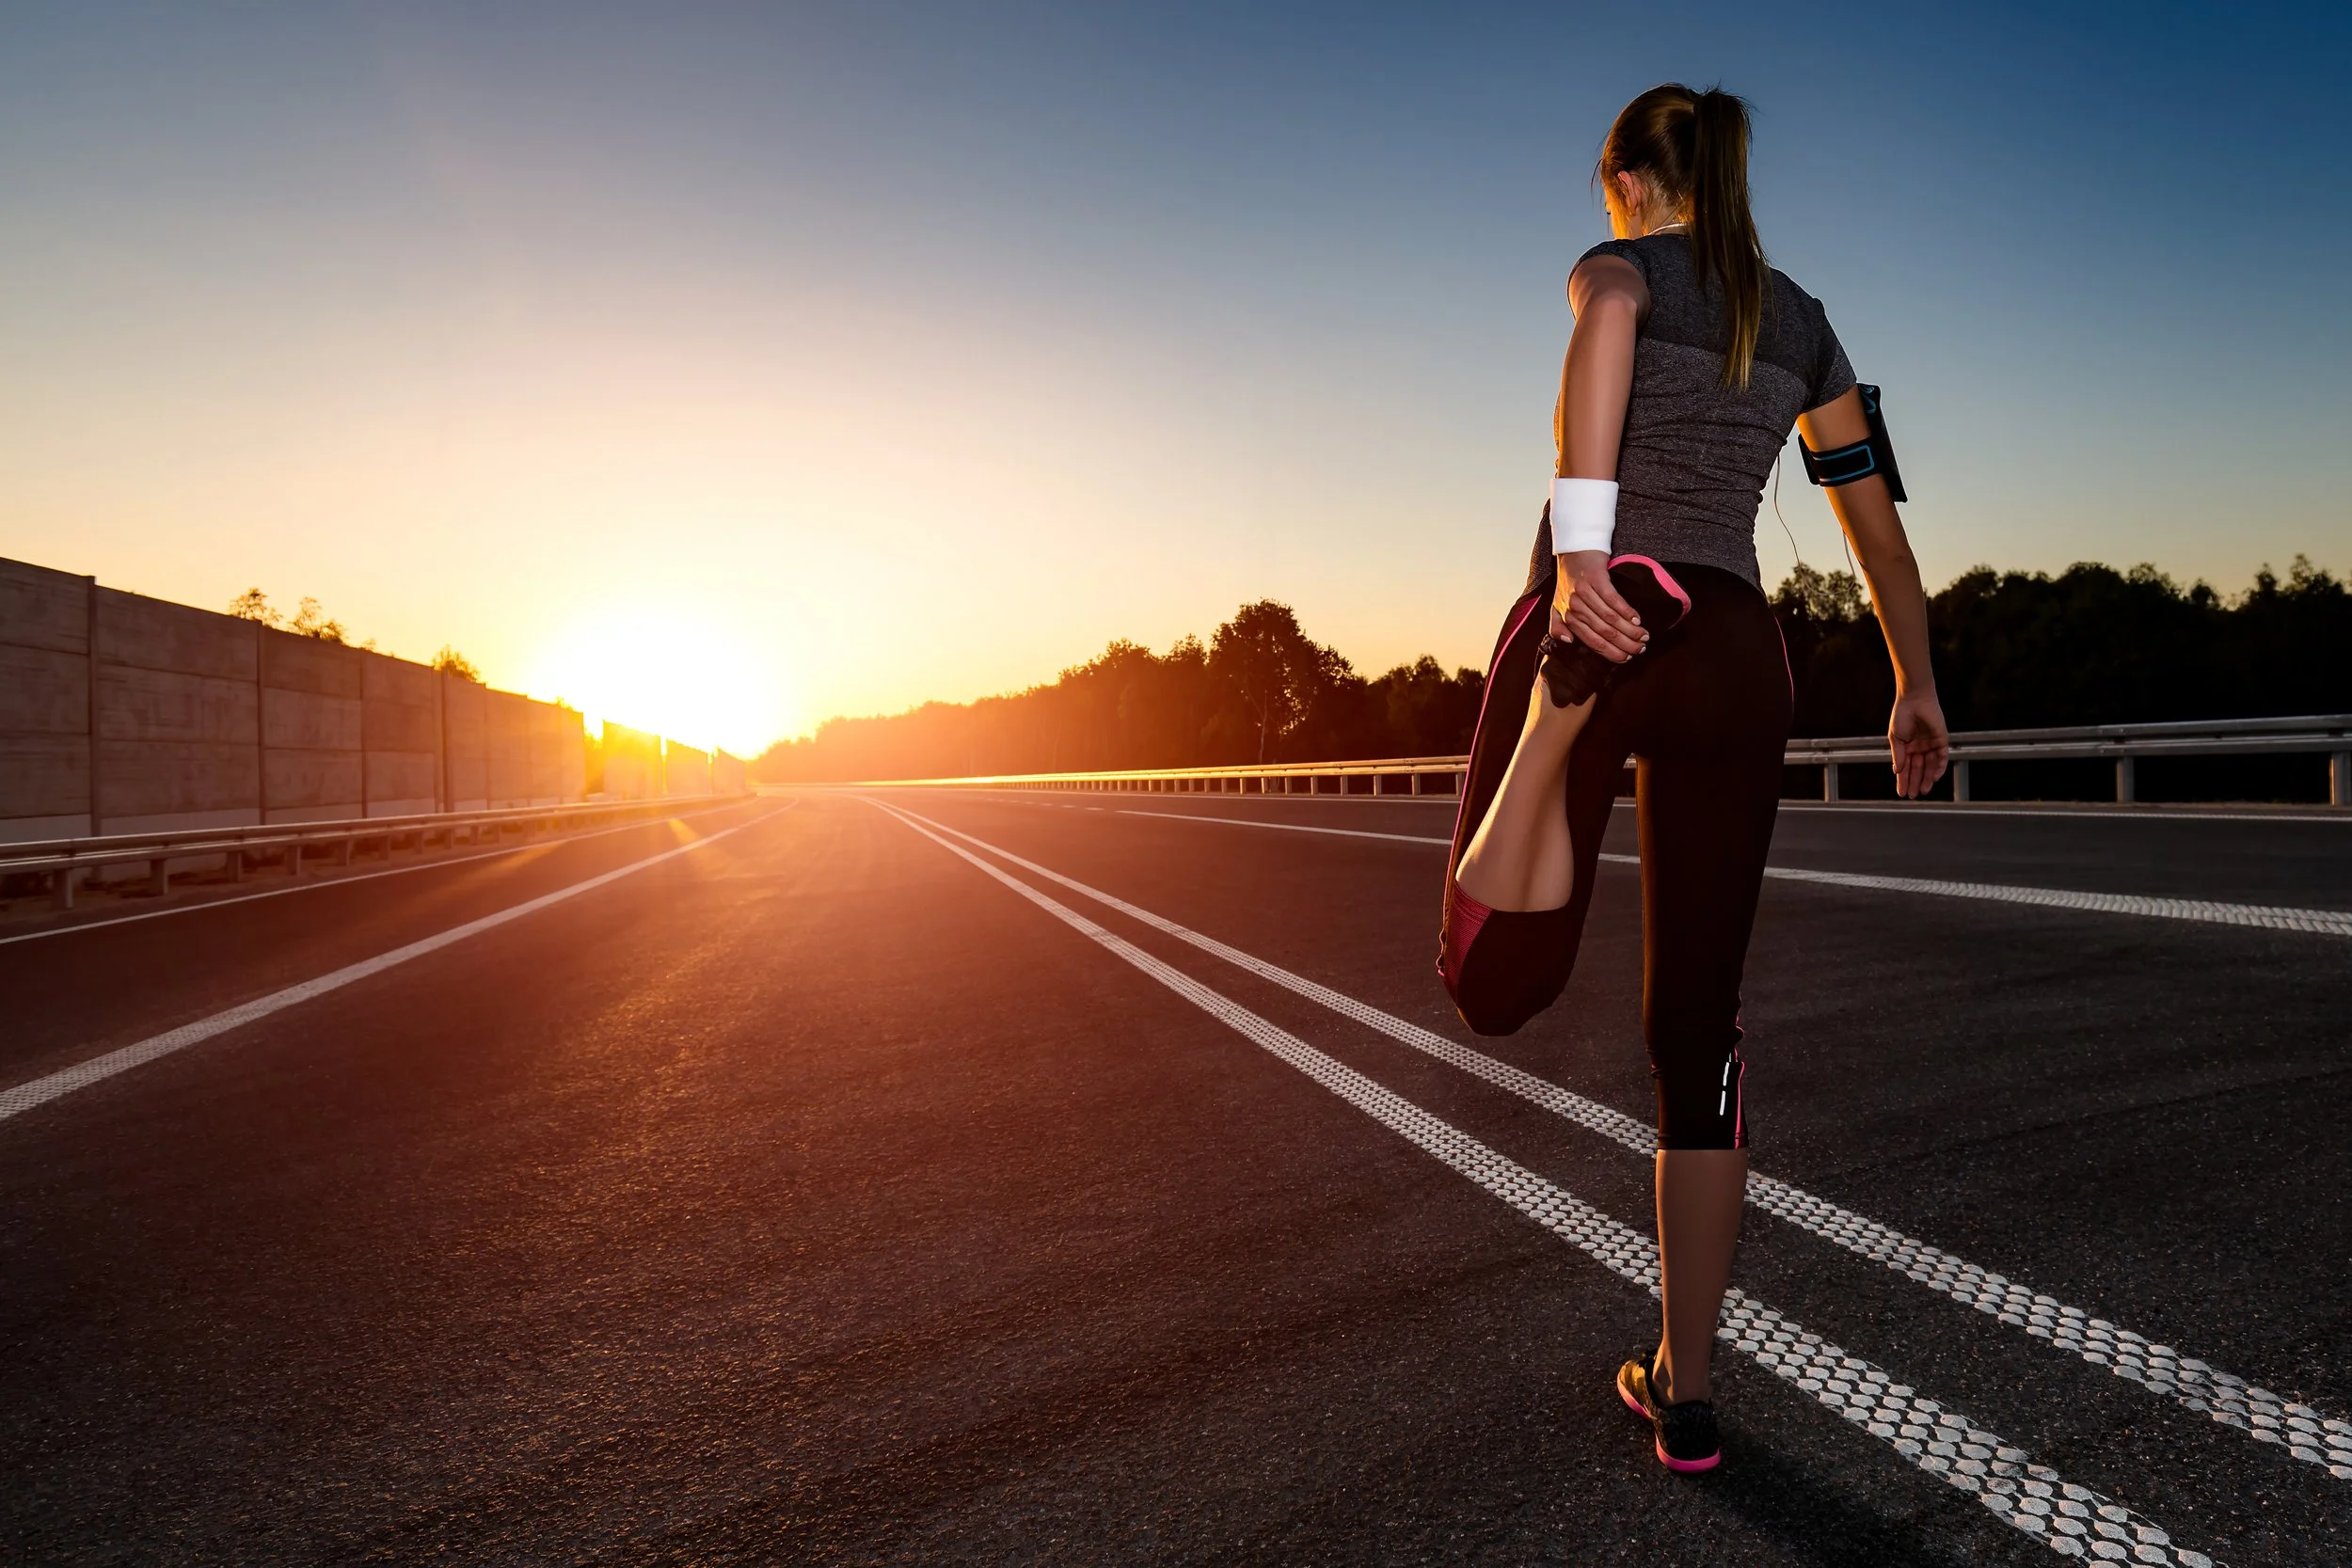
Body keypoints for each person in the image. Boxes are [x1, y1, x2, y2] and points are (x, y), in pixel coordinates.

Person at [1435, 84, 1949, 1473]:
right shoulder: (1804, 320)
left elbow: (1606, 313)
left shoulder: (1623, 266)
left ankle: (1554, 718)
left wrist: (1584, 561)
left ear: (1625, 182)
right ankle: (1693, 1385)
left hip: (1604, 618)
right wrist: (1916, 682)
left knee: (1491, 975)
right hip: (1734, 644)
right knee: (1698, 1031)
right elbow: (1880, 539)